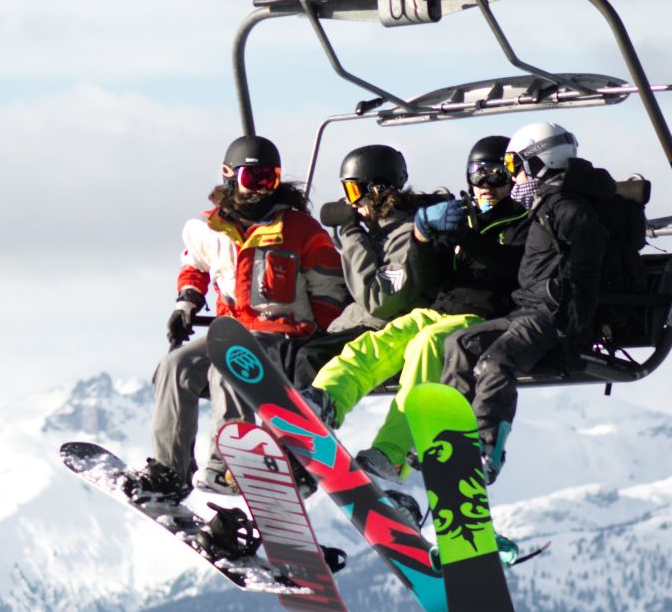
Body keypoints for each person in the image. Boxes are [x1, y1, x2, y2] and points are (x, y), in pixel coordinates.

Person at [126, 134, 348, 501]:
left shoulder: (299, 230)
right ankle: (171, 469)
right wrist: (186, 304)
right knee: (175, 366)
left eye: (269, 180)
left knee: (231, 361)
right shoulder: (207, 228)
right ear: (229, 176)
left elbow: (328, 288)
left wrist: (319, 341)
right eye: (252, 179)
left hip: (283, 336)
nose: (260, 190)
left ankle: (231, 464)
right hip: (232, 330)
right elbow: (195, 267)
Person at [300, 135, 531, 481]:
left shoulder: (524, 222)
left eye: (497, 174)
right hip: (441, 309)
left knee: (427, 346)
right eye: (477, 174)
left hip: (486, 316)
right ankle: (325, 400)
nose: (485, 184)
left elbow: (517, 270)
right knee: (377, 343)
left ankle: (392, 454)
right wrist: (424, 239)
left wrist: (467, 240)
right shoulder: (464, 216)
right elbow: (429, 275)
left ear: (514, 177)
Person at [440, 121, 618, 482]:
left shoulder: (571, 209)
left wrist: (576, 328)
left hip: (550, 316)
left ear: (539, 163)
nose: (513, 179)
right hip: (526, 309)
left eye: (513, 168)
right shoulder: (548, 204)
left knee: (495, 363)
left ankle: (486, 445)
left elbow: (587, 272)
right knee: (459, 343)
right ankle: (448, 435)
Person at [289, 143, 445, 387]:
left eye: (353, 191)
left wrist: (351, 232)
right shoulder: (377, 234)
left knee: (309, 358)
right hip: (357, 326)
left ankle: (306, 421)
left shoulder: (407, 238)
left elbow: (378, 301)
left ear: (377, 190)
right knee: (288, 355)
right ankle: (278, 420)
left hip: (387, 331)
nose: (350, 203)